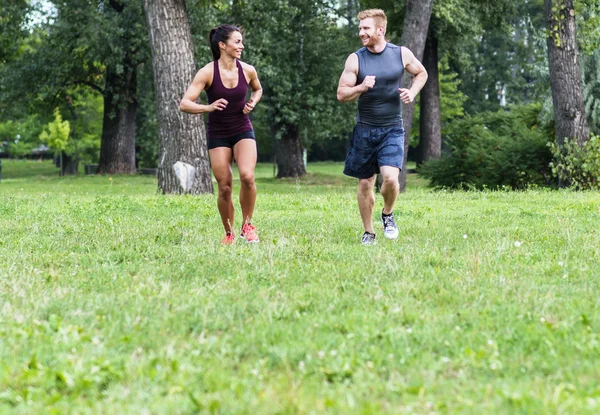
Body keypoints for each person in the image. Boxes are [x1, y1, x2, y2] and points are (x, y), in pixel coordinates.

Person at [337, 9, 428, 245]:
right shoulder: (356, 59)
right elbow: (341, 93)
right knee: (366, 183)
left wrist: (412, 91)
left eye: (366, 28)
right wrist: (360, 88)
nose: (361, 33)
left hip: (392, 129)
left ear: (380, 30)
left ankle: (387, 214)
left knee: (389, 178)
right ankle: (368, 232)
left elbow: (421, 73)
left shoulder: (401, 54)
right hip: (365, 130)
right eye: (360, 29)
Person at [180, 24, 263, 244]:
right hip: (218, 133)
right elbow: (185, 104)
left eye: (241, 42)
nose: (241, 46)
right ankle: (229, 233)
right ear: (222, 45)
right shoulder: (207, 72)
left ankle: (248, 226)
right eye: (237, 42)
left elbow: (257, 88)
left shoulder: (248, 70)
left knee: (247, 176)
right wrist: (207, 108)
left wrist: (253, 101)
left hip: (242, 128)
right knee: (224, 187)